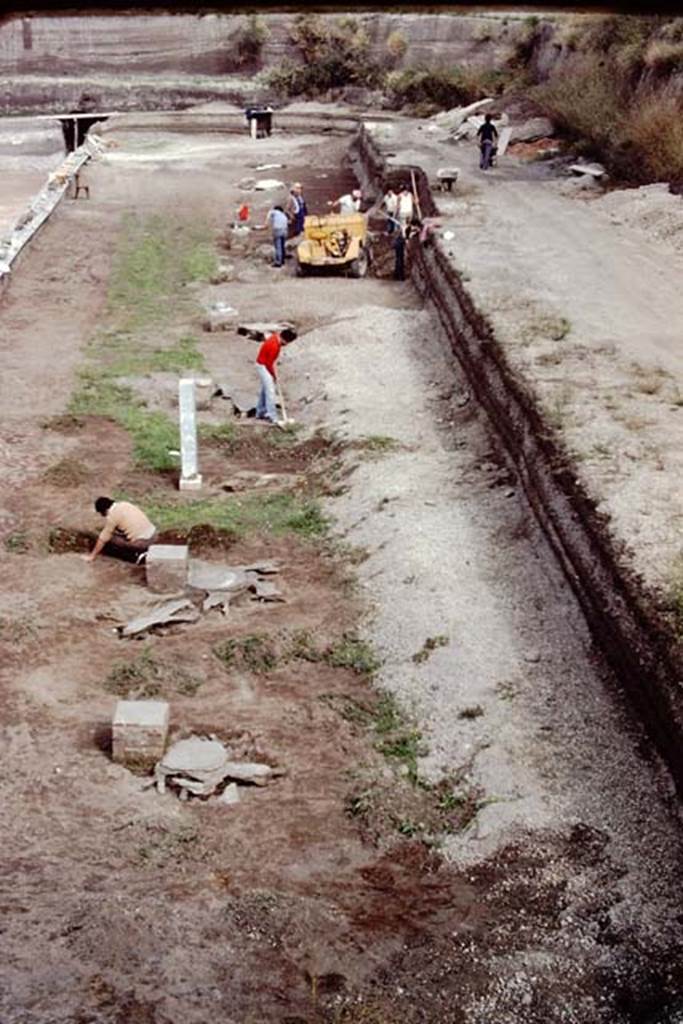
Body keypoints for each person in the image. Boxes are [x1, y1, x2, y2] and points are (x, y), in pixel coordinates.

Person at [83, 497, 157, 564]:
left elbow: (103, 539)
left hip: (142, 542)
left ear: (104, 511)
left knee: (111, 538)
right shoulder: (124, 504)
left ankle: (136, 555)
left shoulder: (112, 516)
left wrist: (92, 556)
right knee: (123, 534)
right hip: (154, 536)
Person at [255, 327, 298, 424]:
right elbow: (269, 364)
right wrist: (273, 376)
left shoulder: (275, 339)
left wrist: (272, 375)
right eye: (288, 342)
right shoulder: (274, 345)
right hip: (262, 366)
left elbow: (270, 361)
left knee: (265, 389)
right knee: (270, 391)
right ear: (285, 339)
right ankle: (273, 417)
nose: (286, 345)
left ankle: (260, 412)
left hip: (264, 364)